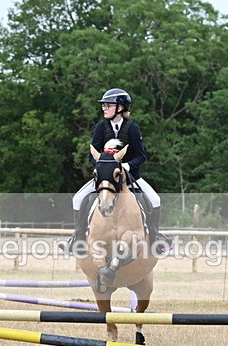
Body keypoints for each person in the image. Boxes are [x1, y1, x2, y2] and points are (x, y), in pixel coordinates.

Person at [63, 88, 166, 254]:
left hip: (130, 177)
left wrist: (127, 166)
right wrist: (101, 166)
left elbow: (141, 156)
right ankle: (78, 238)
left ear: (120, 107)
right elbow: (92, 155)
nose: (104, 108)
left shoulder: (132, 128)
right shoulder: (100, 128)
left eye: (108, 105)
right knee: (78, 199)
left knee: (155, 199)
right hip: (105, 178)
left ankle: (155, 238)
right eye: (104, 105)